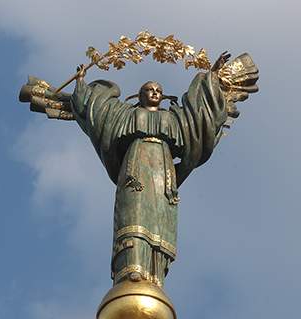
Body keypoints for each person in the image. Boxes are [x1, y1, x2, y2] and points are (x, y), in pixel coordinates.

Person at [70, 53, 231, 287]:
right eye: (149, 89)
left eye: (158, 90)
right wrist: (81, 83)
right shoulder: (125, 114)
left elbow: (199, 114)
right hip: (135, 168)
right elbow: (96, 111)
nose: (154, 92)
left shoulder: (175, 119)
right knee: (134, 213)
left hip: (164, 172)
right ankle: (131, 267)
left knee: (159, 219)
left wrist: (212, 77)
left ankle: (155, 275)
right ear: (140, 95)